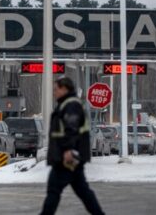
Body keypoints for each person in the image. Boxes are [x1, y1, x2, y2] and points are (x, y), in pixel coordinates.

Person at [40, 76, 105, 215]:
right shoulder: (67, 104)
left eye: (56, 89)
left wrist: (69, 149)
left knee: (54, 190)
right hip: (69, 157)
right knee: (83, 191)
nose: (54, 92)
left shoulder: (71, 105)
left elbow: (71, 128)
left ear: (64, 89)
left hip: (66, 158)